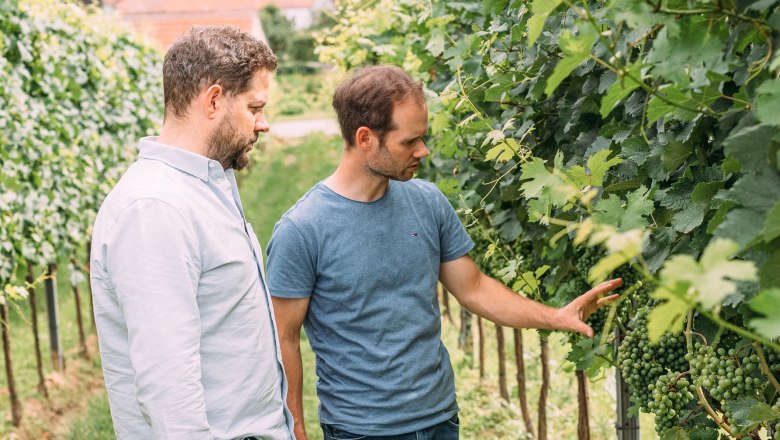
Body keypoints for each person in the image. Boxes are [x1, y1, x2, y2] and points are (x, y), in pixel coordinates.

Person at [266, 64, 622, 440]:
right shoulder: (303, 230)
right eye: (409, 142)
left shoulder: (427, 202)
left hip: (439, 419)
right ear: (365, 138)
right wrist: (296, 427)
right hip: (363, 430)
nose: (423, 150)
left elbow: (474, 288)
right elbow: (283, 337)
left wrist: (556, 317)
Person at [90, 26, 294, 440]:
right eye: (255, 107)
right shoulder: (154, 209)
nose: (264, 123)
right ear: (214, 100)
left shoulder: (205, 185)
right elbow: (168, 394)